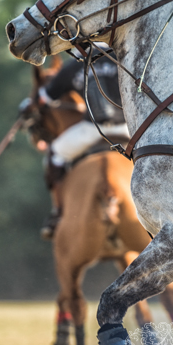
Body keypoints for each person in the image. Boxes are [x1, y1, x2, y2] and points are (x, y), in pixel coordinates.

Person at [36, 52, 128, 239]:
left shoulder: (73, 65)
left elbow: (44, 97)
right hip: (128, 128)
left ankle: (58, 212)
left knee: (54, 154)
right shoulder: (122, 58)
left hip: (92, 130)